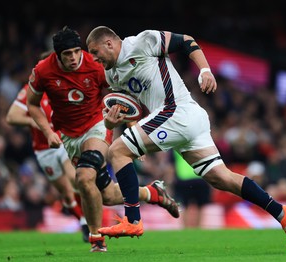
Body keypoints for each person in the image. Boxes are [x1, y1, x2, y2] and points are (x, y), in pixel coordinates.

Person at [86, 26, 286, 251]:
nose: (93, 58)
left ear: (109, 43)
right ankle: (281, 212)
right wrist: (118, 123)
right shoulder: (112, 74)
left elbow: (187, 41)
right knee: (222, 178)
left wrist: (205, 70)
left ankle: (132, 220)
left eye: (94, 51)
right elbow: (133, 108)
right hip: (182, 119)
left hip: (177, 111)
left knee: (118, 150)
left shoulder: (142, 42)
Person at [26, 26, 180, 252]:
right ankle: (152, 193)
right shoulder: (42, 71)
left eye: (76, 51)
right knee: (106, 195)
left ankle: (96, 239)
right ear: (56, 55)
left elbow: (121, 94)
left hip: (97, 126)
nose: (74, 58)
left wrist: (131, 125)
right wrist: (49, 132)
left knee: (83, 177)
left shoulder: (95, 66)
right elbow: (32, 103)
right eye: (67, 54)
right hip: (69, 135)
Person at [6, 79, 90, 242]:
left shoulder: (66, 86)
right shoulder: (30, 91)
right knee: (66, 194)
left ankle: (87, 221)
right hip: (44, 150)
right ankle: (82, 221)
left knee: (74, 178)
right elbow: (11, 117)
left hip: (63, 141)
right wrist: (31, 120)